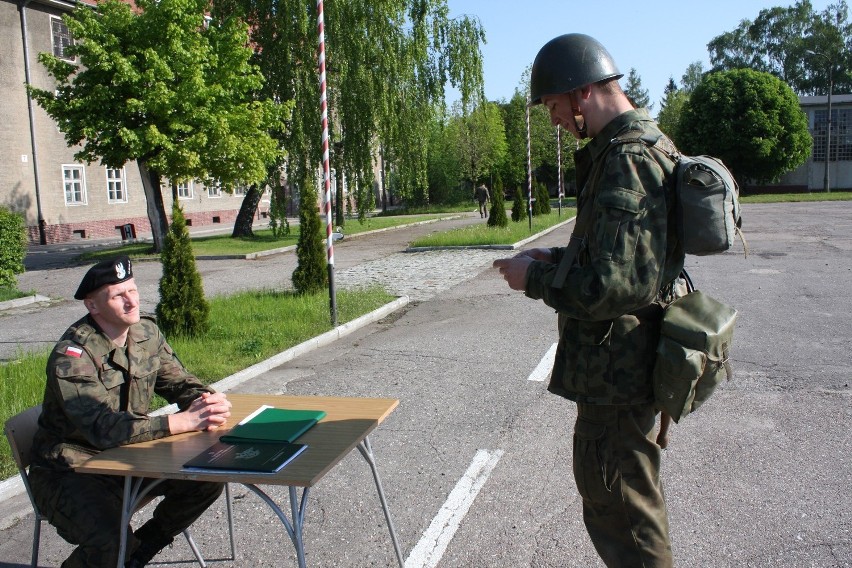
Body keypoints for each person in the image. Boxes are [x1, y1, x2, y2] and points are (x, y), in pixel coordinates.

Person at [493, 33, 684, 567]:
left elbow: (613, 286)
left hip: (619, 377)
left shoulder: (628, 158)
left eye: (553, 105)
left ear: (580, 95)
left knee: (624, 514)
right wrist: (554, 258)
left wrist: (531, 280)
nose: (553, 119)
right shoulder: (628, 150)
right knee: (614, 504)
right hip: (617, 372)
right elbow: (616, 255)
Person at [28, 256, 233, 568]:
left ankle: (139, 552)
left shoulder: (144, 333)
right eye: (117, 295)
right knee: (110, 542)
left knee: (206, 481)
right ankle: (118, 555)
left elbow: (177, 381)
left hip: (128, 460)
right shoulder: (73, 356)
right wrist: (180, 422)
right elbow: (103, 428)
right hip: (71, 470)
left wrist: (206, 400)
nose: (131, 301)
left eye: (133, 290)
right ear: (93, 306)